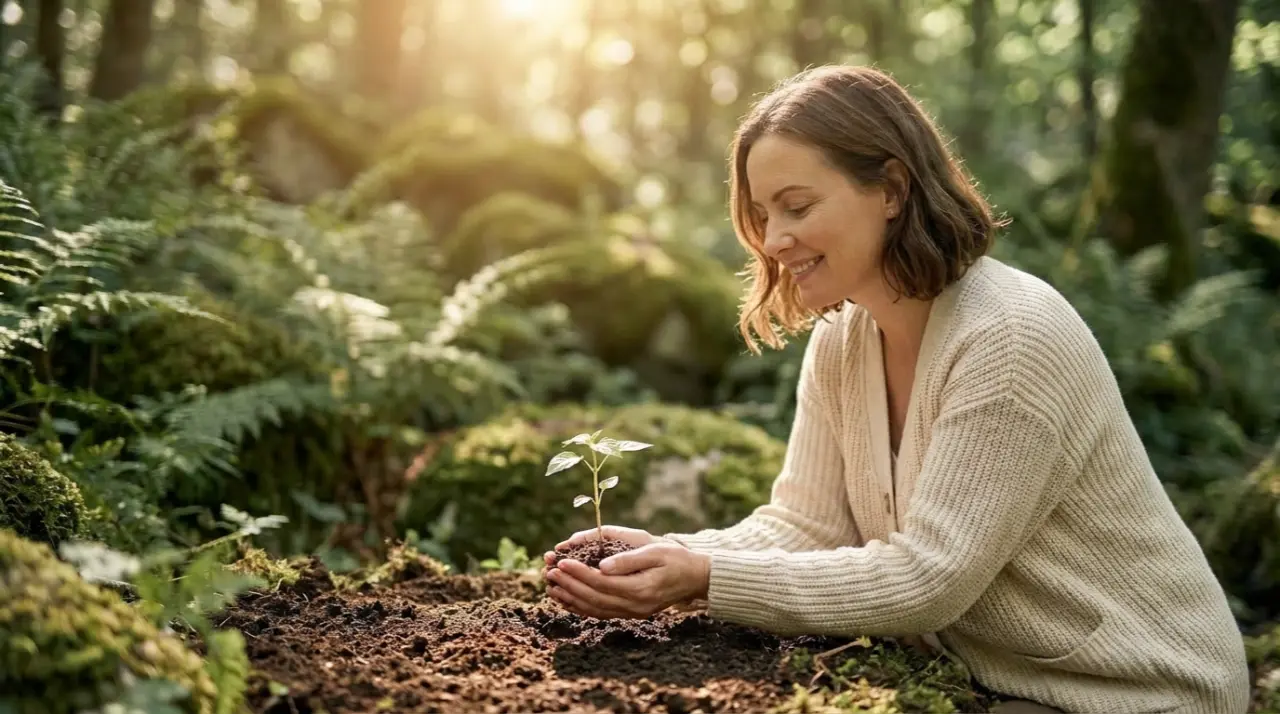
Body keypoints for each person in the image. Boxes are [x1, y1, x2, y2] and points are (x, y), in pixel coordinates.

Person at [540, 65, 1250, 713]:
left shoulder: (1009, 340)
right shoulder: (844, 339)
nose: (774, 239)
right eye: (763, 215)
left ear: (890, 189)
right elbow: (805, 527)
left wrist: (704, 579)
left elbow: (930, 578)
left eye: (797, 205)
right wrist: (672, 554)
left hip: (1137, 689)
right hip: (996, 677)